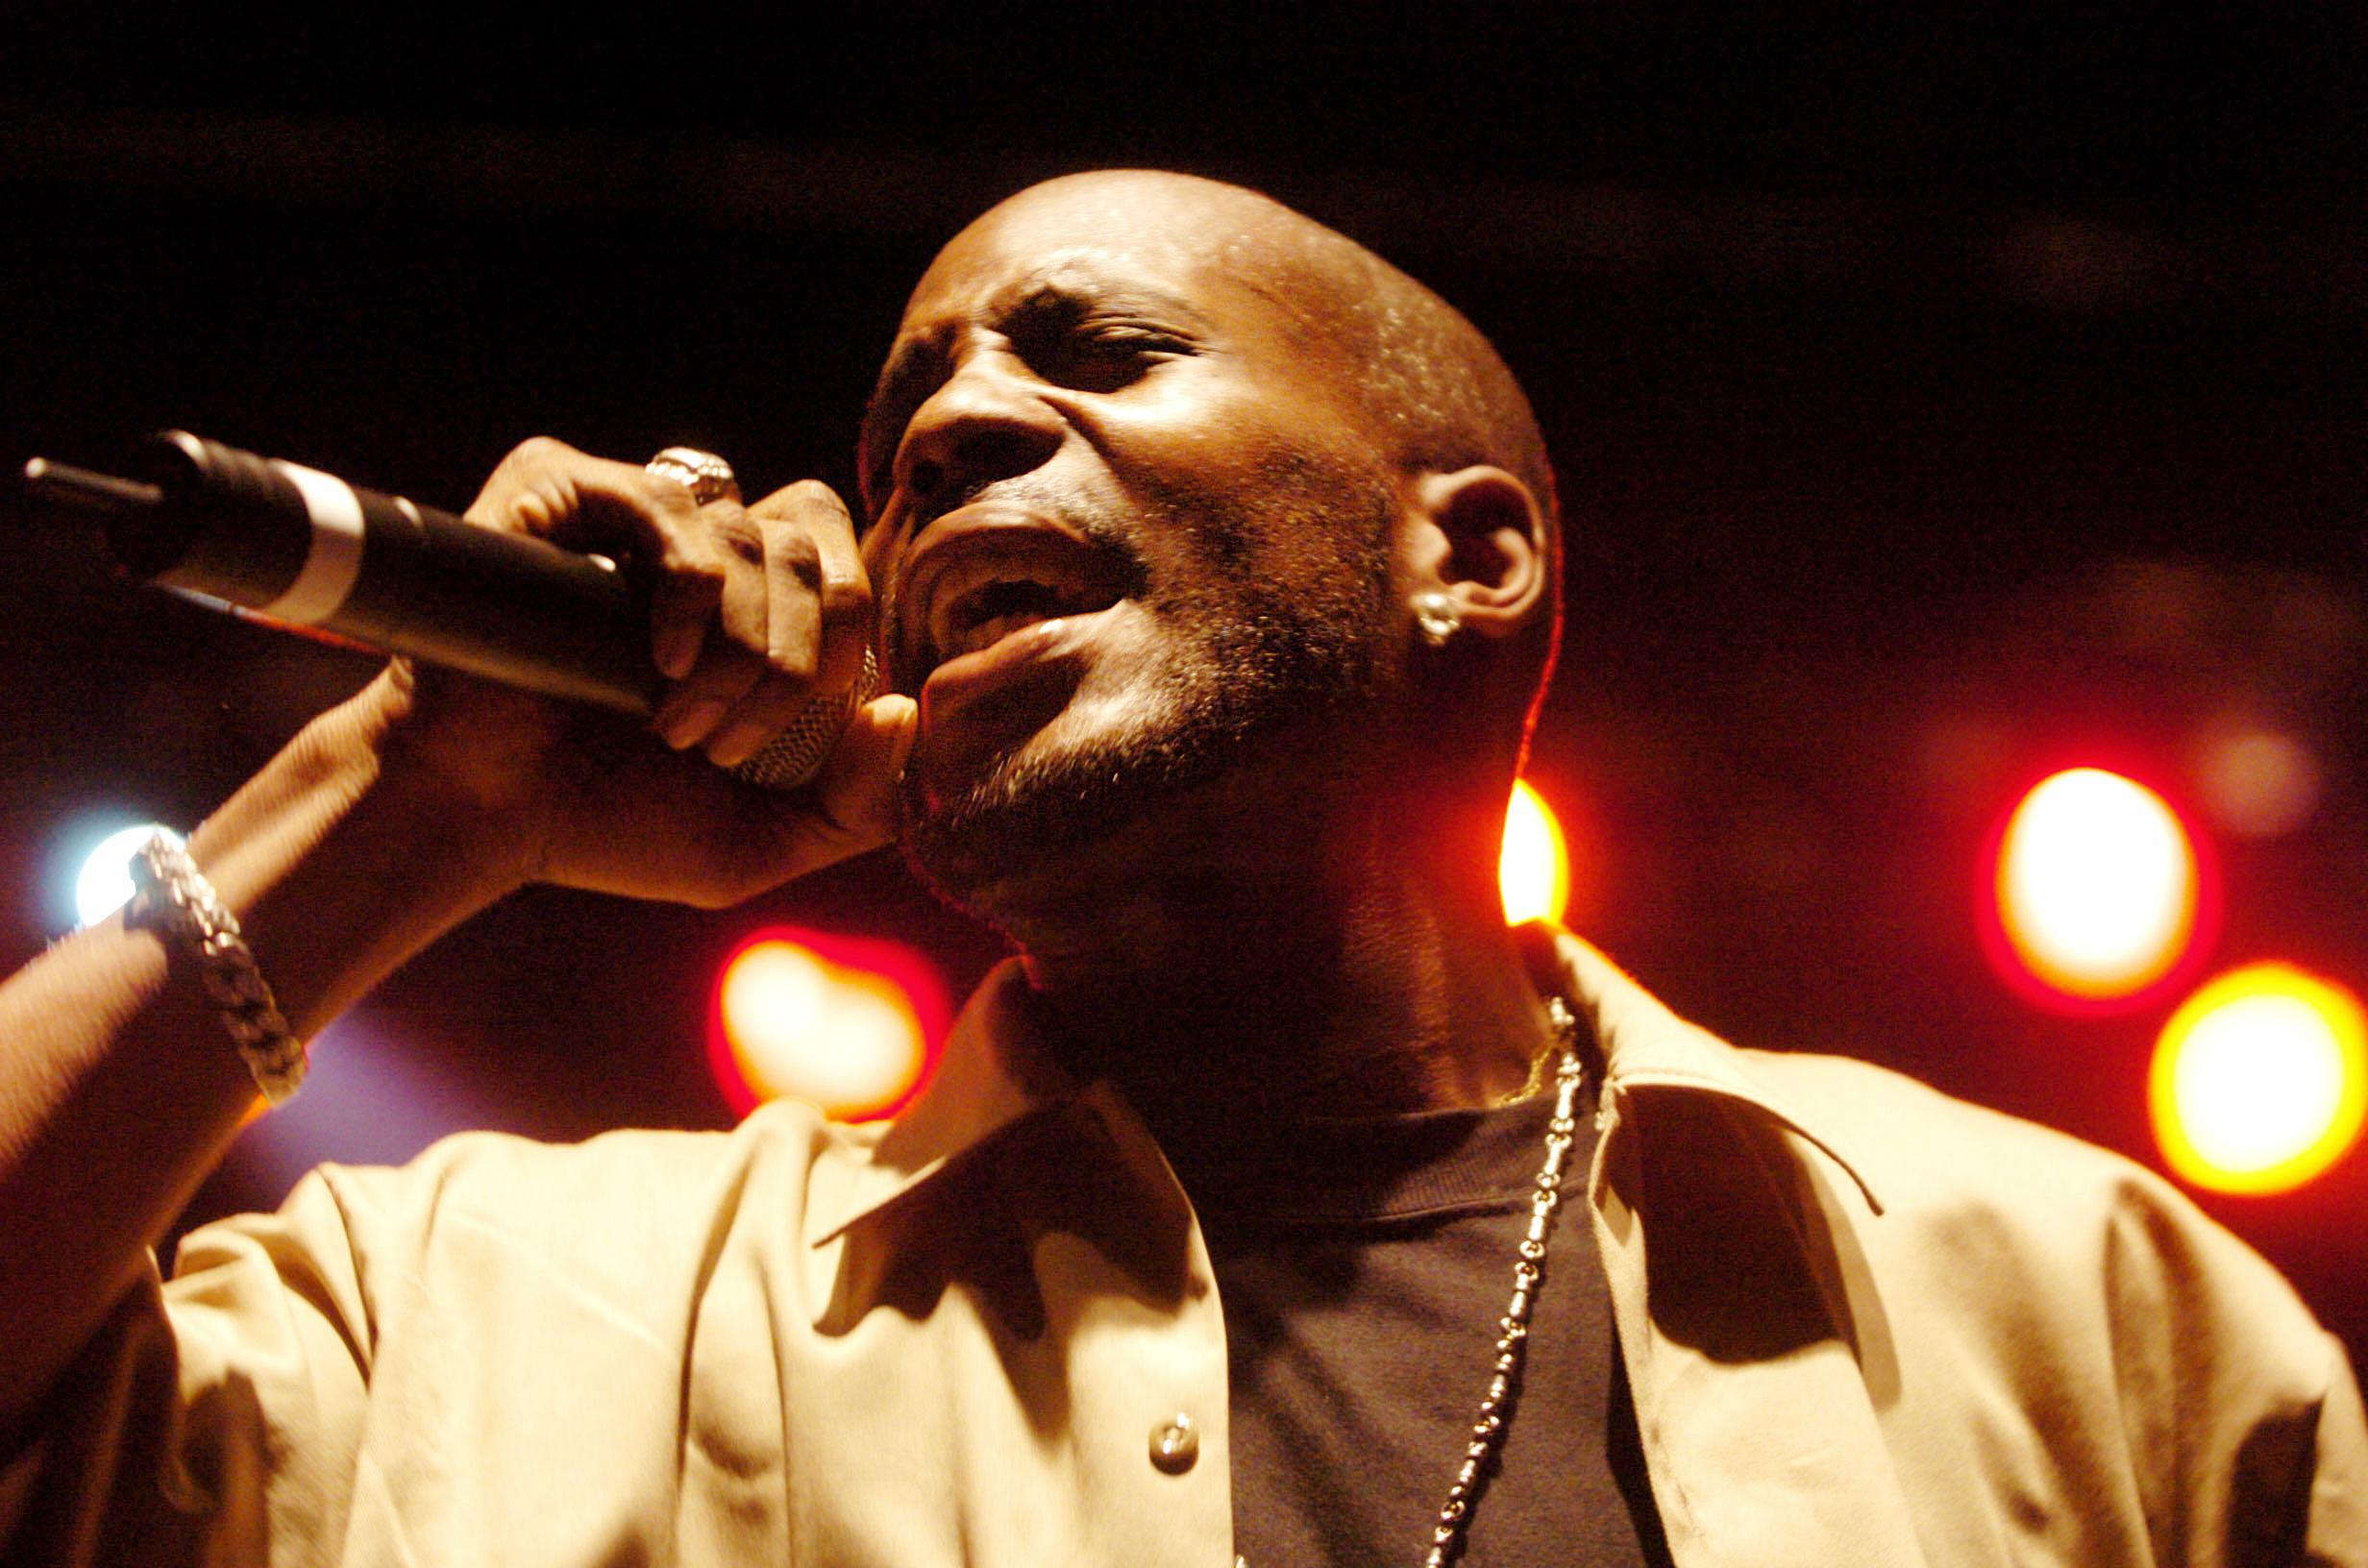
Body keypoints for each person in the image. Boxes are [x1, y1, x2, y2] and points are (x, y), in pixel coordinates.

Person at [0, 169, 2359, 1567]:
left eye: (1098, 350)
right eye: (903, 429)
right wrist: (411, 798)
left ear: (1468, 556)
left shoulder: (2080, 1317)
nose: (946, 429)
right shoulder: (504, 1310)